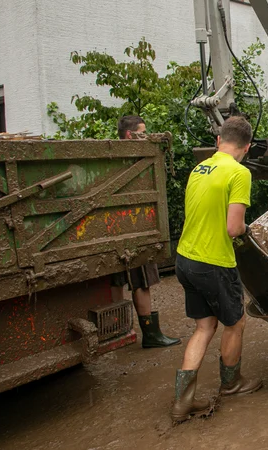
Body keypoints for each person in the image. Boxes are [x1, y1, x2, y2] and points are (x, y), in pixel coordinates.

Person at [171, 116, 261, 422]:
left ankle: (182, 402)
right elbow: (234, 228)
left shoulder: (200, 168)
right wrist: (249, 228)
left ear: (219, 140)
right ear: (246, 147)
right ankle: (232, 383)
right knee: (235, 322)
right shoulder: (239, 172)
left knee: (204, 326)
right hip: (213, 262)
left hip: (185, 258)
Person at [112, 115, 180, 349]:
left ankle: (130, 332)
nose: (147, 135)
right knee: (141, 282)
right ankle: (151, 335)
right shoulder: (130, 159)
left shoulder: (115, 157)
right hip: (134, 230)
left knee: (130, 282)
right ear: (130, 135)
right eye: (143, 132)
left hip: (123, 230)